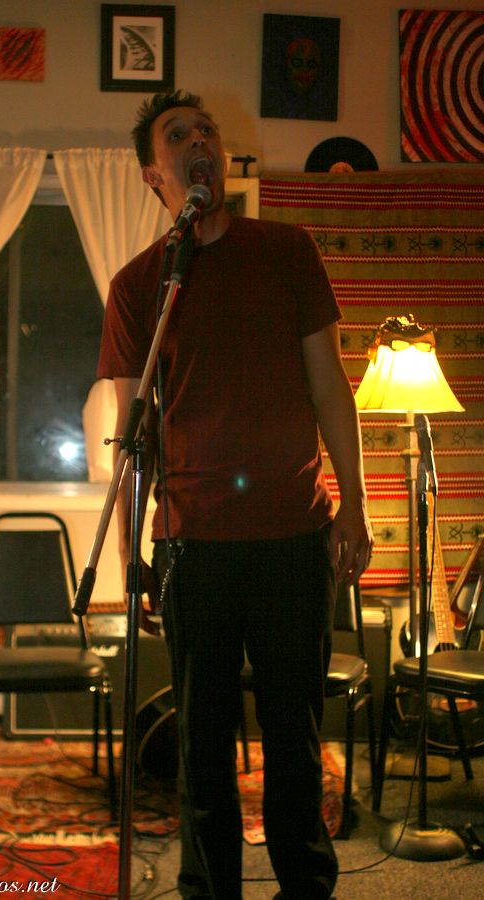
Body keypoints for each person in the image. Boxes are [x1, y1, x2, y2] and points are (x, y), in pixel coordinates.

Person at [97, 90, 373, 900]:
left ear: (221, 157)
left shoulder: (287, 251)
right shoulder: (139, 285)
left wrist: (354, 505)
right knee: (203, 744)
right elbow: (133, 430)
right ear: (155, 175)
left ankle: (305, 885)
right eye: (178, 136)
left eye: (207, 132)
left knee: (294, 735)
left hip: (293, 537)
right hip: (193, 544)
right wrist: (131, 553)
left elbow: (330, 387)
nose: (200, 142)